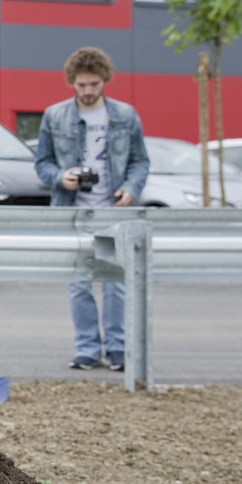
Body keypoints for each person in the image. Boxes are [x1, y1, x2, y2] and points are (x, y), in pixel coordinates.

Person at [34, 46, 150, 371]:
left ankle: (117, 349)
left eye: (94, 85)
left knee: (116, 284)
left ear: (105, 81)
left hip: (113, 213)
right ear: (72, 82)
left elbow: (140, 161)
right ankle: (87, 349)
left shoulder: (125, 115)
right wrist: (61, 177)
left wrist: (130, 188)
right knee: (78, 284)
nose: (87, 91)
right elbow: (42, 163)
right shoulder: (54, 115)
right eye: (82, 85)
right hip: (72, 213)